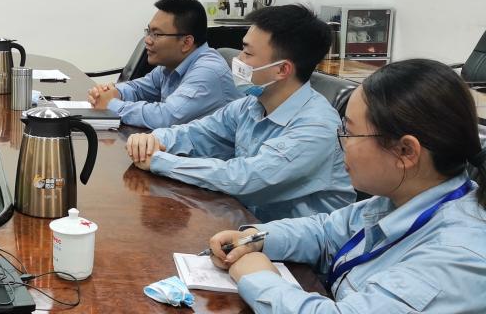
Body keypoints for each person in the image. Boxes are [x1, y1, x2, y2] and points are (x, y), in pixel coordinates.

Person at [208, 59, 486, 313]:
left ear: (405, 151)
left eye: (350, 132)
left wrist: (257, 277)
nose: (340, 141)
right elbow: (326, 233)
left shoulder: (457, 258)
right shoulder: (401, 197)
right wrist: (256, 238)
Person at [126, 5, 354, 222]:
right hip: (247, 229)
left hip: (300, 247)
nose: (237, 60)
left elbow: (244, 179)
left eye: (247, 53)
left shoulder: (317, 127)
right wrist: (154, 140)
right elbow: (197, 134)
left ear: (282, 69)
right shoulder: (251, 104)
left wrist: (160, 161)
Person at [88, 0, 239, 128]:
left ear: (186, 42)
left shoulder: (207, 71)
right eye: (148, 32)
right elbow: (138, 89)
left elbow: (166, 117)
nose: (147, 40)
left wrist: (111, 104)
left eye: (157, 34)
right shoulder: (170, 65)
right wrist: (114, 92)